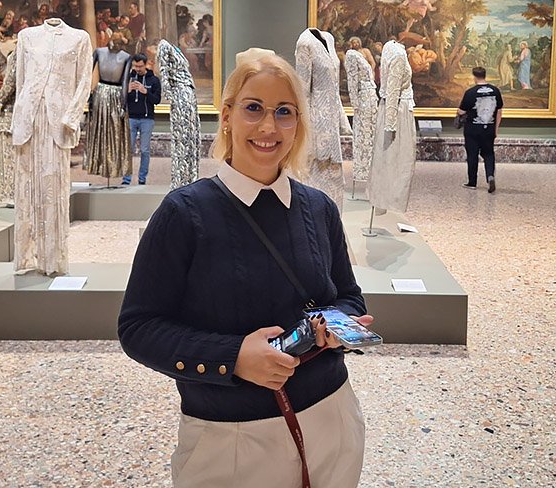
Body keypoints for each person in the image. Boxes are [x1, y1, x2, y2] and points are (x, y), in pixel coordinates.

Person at [119, 53, 372, 488]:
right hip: (231, 438)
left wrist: (338, 325)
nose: (269, 127)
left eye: (284, 112)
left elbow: (347, 295)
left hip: (332, 418)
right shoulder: (184, 213)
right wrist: (232, 357)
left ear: (299, 124)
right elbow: (139, 327)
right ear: (228, 116)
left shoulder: (319, 207)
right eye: (253, 108)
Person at [457, 66, 503, 193]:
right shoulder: (495, 91)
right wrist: (496, 129)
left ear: (474, 76)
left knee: (472, 155)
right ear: (485, 75)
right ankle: (490, 176)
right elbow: (499, 112)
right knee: (489, 154)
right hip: (489, 128)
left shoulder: (470, 92)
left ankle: (472, 182)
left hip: (472, 129)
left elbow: (461, 111)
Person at [121, 53, 161, 185]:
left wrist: (146, 92)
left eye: (140, 66)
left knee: (145, 150)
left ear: (146, 65)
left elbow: (157, 100)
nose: (137, 69)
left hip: (147, 119)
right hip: (131, 118)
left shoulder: (153, 80)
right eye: (135, 66)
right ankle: (126, 179)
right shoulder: (128, 77)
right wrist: (126, 91)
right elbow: (118, 98)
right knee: (128, 150)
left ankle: (142, 179)